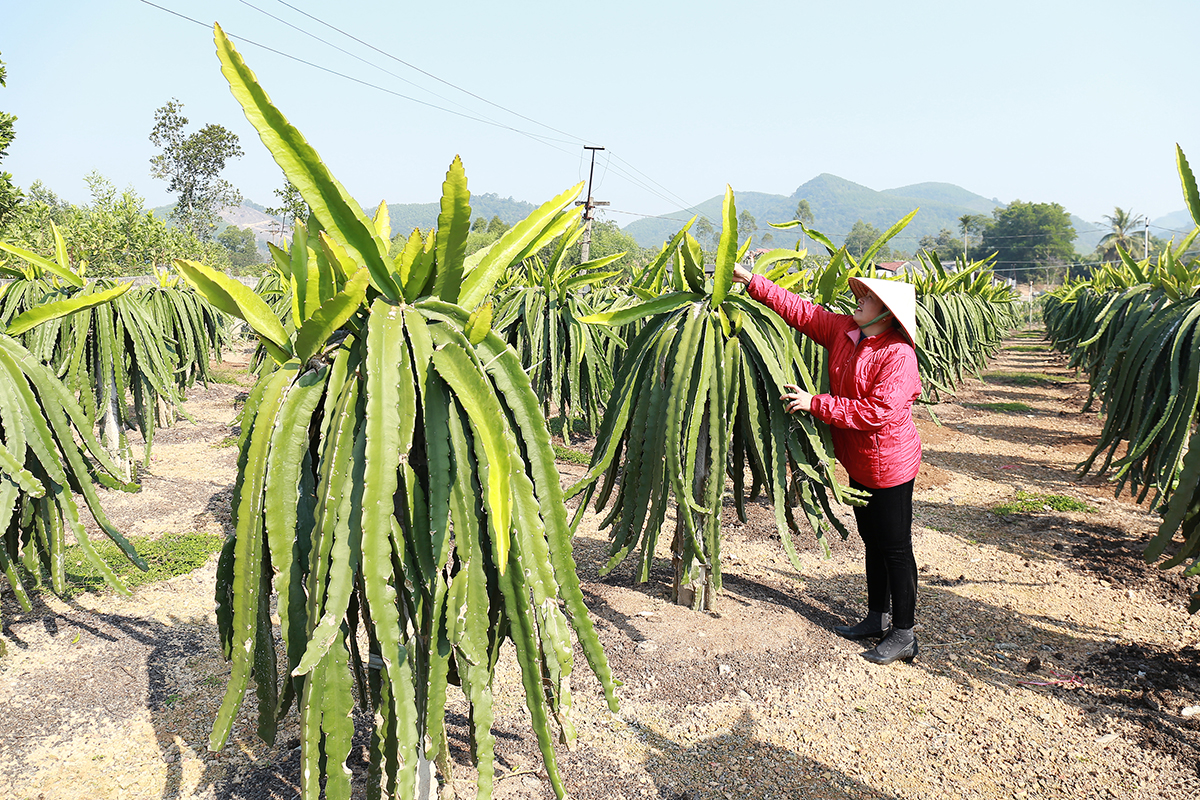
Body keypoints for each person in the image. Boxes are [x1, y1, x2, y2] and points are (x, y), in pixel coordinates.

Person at [731, 263, 922, 665]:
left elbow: (878, 411)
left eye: (868, 298)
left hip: (889, 463)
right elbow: (802, 311)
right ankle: (876, 616)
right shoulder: (844, 332)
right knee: (872, 541)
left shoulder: (898, 355)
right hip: (856, 459)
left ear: (887, 312)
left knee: (896, 547)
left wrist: (815, 403)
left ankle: (904, 633)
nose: (859, 299)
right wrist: (751, 280)